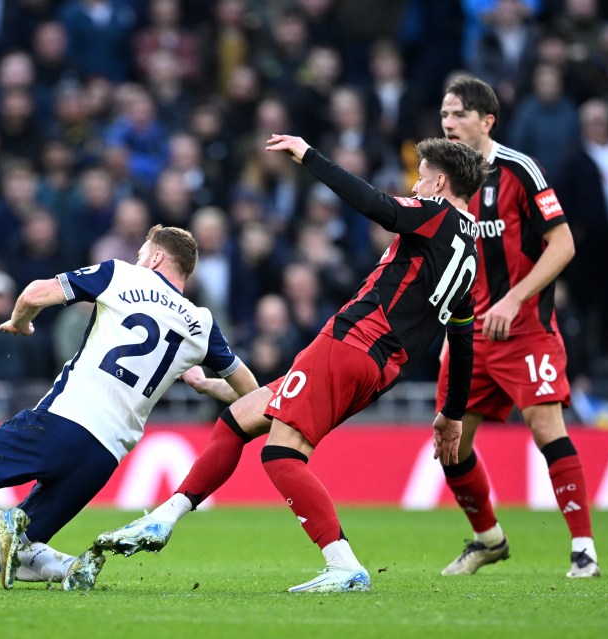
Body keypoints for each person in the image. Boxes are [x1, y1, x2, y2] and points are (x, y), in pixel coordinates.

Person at [97, 134, 491, 594]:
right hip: (380, 367)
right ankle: (165, 518)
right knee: (238, 420)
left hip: (351, 341)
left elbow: (377, 205)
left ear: (440, 181)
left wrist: (310, 156)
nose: (416, 185)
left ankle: (343, 565)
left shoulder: (436, 214)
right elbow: (463, 339)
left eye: (421, 177)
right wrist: (453, 412)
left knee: (282, 453)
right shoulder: (473, 256)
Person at [0, 224, 258, 591]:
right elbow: (251, 397)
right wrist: (205, 384)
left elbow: (35, 293)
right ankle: (70, 568)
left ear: (155, 258)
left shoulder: (120, 274)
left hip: (63, 422)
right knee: (2, 555)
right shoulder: (201, 324)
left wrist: (20, 323)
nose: (137, 259)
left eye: (141, 254)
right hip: (103, 458)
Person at [435, 75, 597, 579]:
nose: (448, 122)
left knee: (546, 426)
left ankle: (584, 550)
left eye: (459, 113)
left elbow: (564, 244)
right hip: (470, 335)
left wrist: (513, 298)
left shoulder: (519, 170)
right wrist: (449, 332)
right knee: (451, 444)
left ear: (487, 120)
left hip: (524, 327)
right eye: (443, 114)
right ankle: (490, 540)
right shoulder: (443, 178)